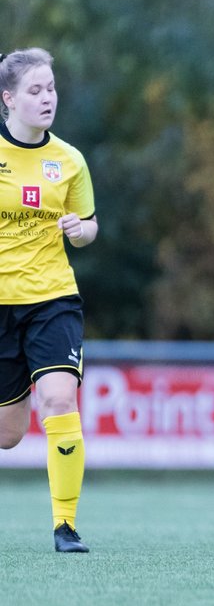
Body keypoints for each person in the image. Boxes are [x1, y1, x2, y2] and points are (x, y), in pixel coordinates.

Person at [0, 48, 98, 553]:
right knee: (8, 435)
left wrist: (81, 230)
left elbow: (89, 228)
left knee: (60, 399)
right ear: (8, 99)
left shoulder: (69, 160)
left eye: (52, 89)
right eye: (35, 91)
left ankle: (65, 526)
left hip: (52, 298)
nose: (47, 99)